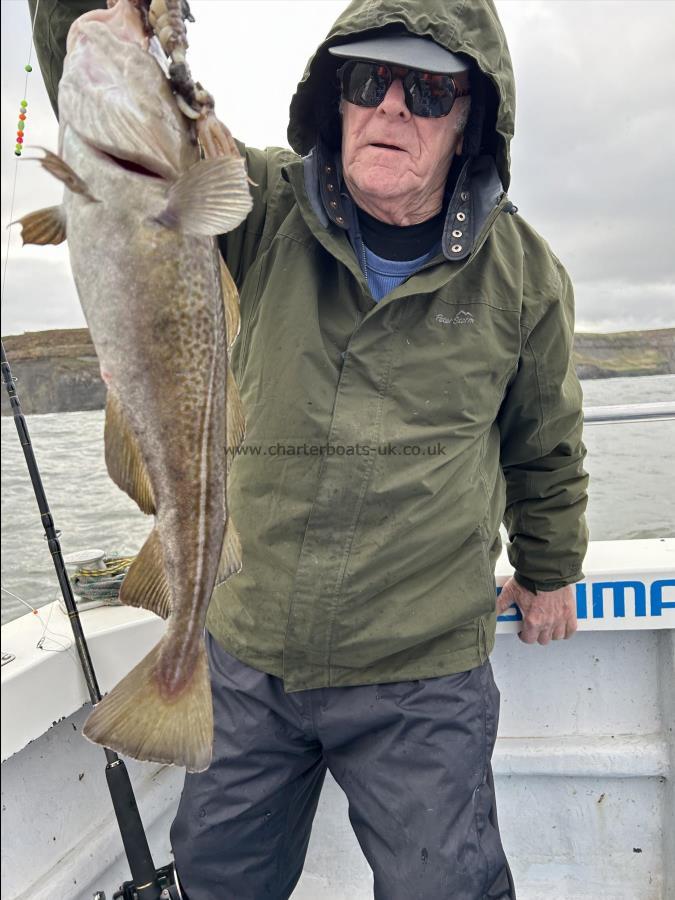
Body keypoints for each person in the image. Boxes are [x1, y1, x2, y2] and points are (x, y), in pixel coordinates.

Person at [31, 0, 589, 897]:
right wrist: (98, 17)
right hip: (248, 653)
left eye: (429, 90)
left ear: (471, 120)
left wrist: (549, 568)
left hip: (422, 674)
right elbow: (112, 102)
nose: (391, 109)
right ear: (335, 99)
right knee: (219, 883)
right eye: (368, 81)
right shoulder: (259, 204)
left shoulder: (524, 276)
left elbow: (546, 447)